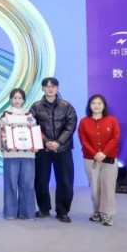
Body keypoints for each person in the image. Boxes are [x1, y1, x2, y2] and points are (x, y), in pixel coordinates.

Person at [30, 77, 78, 223]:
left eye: (53, 86)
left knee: (65, 181)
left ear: (58, 88)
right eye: (47, 86)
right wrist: (46, 142)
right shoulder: (35, 107)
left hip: (63, 149)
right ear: (42, 88)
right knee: (41, 180)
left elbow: (71, 126)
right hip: (42, 150)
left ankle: (62, 212)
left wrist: (58, 142)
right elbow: (32, 126)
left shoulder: (67, 106)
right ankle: (43, 208)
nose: (50, 89)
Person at [78, 94, 120, 226]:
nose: (96, 106)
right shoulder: (84, 122)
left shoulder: (112, 120)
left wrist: (104, 153)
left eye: (99, 103)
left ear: (104, 106)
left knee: (108, 186)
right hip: (91, 159)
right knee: (95, 188)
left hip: (109, 159)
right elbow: (83, 140)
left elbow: (115, 138)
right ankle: (97, 211)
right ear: (89, 106)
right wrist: (94, 153)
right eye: (93, 103)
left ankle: (107, 214)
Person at [0, 88, 36, 221]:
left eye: (20, 98)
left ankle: (26, 213)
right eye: (15, 98)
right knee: (10, 183)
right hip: (11, 154)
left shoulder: (30, 114)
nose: (17, 100)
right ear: (10, 99)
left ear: (24, 100)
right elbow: (1, 132)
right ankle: (10, 212)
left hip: (28, 154)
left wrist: (35, 144)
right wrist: (9, 143)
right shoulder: (5, 115)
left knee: (28, 183)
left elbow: (34, 132)